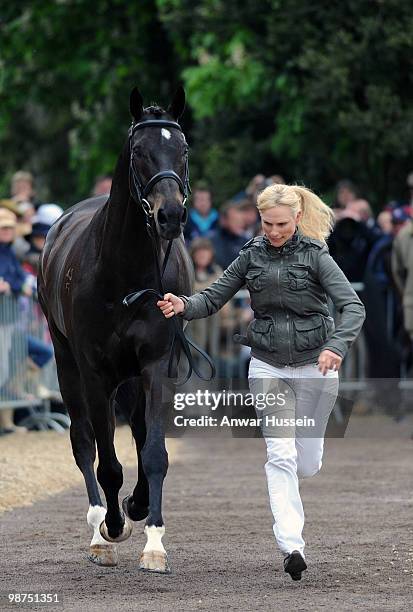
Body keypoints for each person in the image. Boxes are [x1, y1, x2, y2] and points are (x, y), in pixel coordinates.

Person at [157, 183, 365, 580]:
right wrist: (184, 304)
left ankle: (297, 514)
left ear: (298, 218)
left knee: (307, 463)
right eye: (267, 223)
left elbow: (352, 306)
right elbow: (214, 296)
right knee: (280, 456)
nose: (273, 231)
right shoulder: (251, 254)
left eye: (282, 224)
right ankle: (292, 545)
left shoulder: (316, 256)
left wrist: (336, 347)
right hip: (267, 366)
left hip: (315, 368)